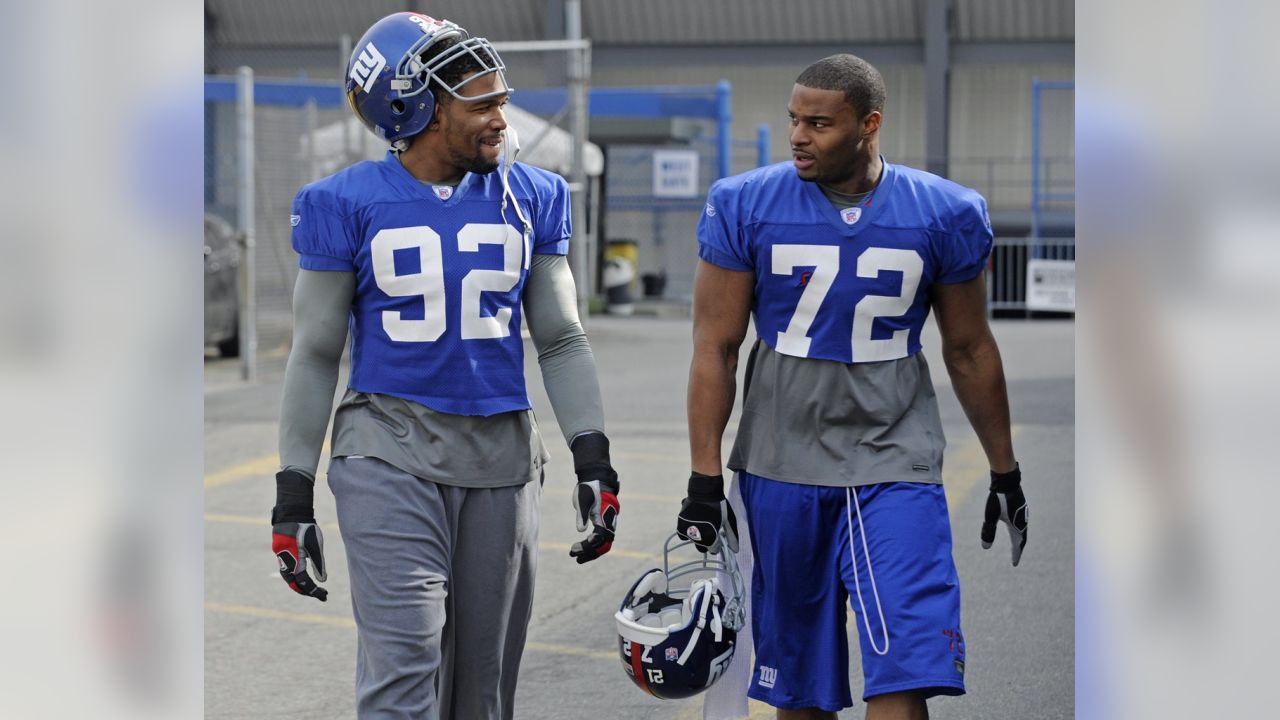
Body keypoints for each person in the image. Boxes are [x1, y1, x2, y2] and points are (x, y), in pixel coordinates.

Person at [268, 12, 620, 720]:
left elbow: (560, 337)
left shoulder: (534, 195)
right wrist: (291, 494)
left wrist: (593, 456)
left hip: (502, 456)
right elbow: (314, 353)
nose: (502, 117)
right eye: (481, 103)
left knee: (482, 693)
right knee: (404, 680)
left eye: (501, 98)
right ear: (415, 105)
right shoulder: (343, 202)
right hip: (387, 449)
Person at [676, 54, 1029, 720]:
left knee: (906, 665)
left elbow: (969, 347)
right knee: (799, 683)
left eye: (819, 123)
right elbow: (715, 347)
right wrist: (703, 480)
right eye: (793, 119)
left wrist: (1003, 470)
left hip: (897, 459)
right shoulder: (743, 203)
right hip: (782, 465)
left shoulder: (946, 212)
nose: (798, 136)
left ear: (870, 124)